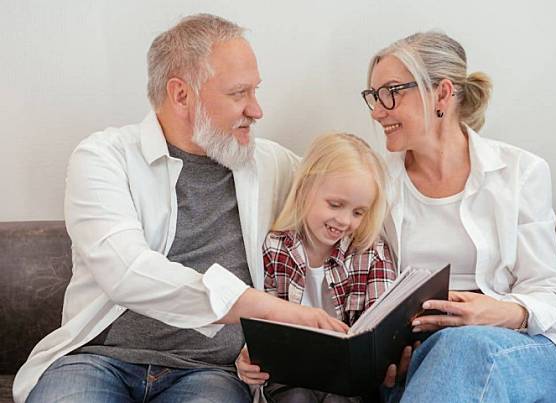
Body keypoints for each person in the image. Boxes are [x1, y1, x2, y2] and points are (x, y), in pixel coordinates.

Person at [14, 14, 348, 403]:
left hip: (210, 373)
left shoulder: (268, 164)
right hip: (97, 359)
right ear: (181, 95)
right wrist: (269, 309)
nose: (257, 110)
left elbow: (360, 192)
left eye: (254, 91)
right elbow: (128, 273)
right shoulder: (104, 158)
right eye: (239, 93)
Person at [360, 31, 556, 402]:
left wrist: (500, 312)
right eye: (373, 96)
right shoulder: (375, 181)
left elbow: (551, 292)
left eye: (391, 93)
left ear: (442, 94)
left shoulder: (519, 172)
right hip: (420, 355)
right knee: (440, 357)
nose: (377, 111)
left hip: (514, 346)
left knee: (462, 348)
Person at [235, 132, 397, 402]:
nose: (345, 220)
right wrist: (247, 360)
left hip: (349, 384)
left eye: (358, 212)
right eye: (335, 205)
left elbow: (382, 331)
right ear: (306, 188)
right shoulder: (275, 249)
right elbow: (259, 325)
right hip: (290, 378)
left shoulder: (371, 254)